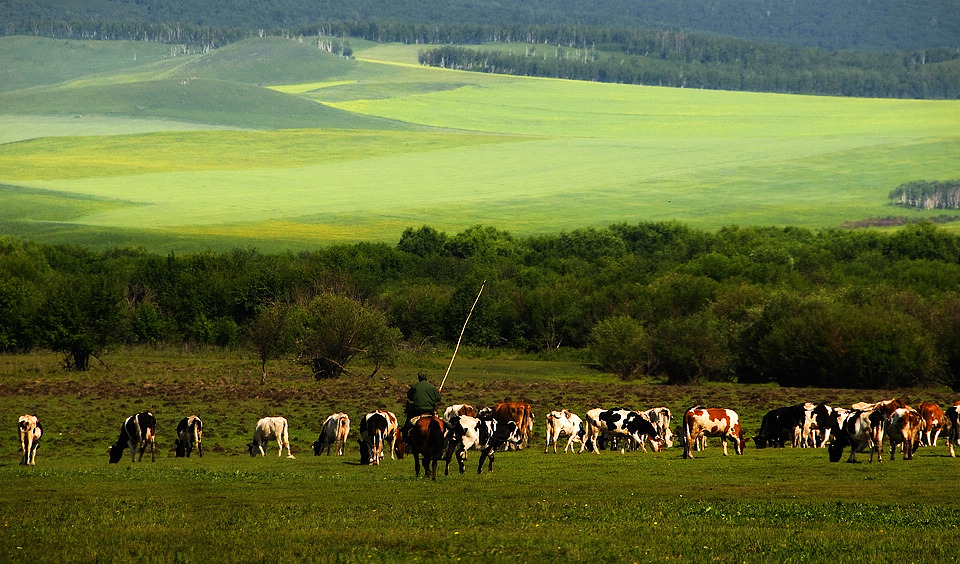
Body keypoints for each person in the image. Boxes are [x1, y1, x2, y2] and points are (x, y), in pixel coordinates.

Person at [402, 373, 441, 440]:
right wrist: (437, 393)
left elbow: (410, 397)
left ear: (418, 378)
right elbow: (438, 399)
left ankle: (406, 437)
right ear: (426, 378)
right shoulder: (431, 387)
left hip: (417, 411)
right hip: (430, 411)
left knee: (408, 425)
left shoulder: (414, 387)